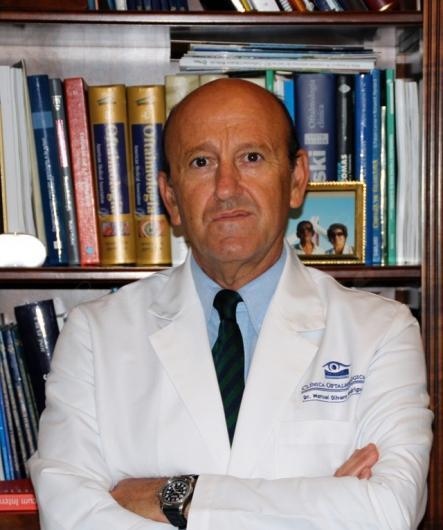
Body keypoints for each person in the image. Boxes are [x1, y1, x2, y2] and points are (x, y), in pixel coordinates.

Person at [29, 78, 433, 530]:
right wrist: (327, 501)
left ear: (296, 179)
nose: (226, 187)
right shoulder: (94, 335)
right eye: (200, 162)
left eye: (252, 157)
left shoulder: (381, 331)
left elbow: (389, 511)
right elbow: (69, 515)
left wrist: (176, 497)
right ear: (171, 197)